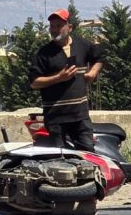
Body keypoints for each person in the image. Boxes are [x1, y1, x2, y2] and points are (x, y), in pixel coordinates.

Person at [28, 8, 102, 152]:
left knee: (88, 154)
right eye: (52, 26)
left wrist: (93, 72)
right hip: (55, 118)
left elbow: (99, 57)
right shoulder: (43, 53)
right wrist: (59, 78)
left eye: (59, 26)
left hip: (80, 116)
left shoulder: (82, 45)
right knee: (59, 157)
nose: (54, 30)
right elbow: (34, 83)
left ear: (69, 27)